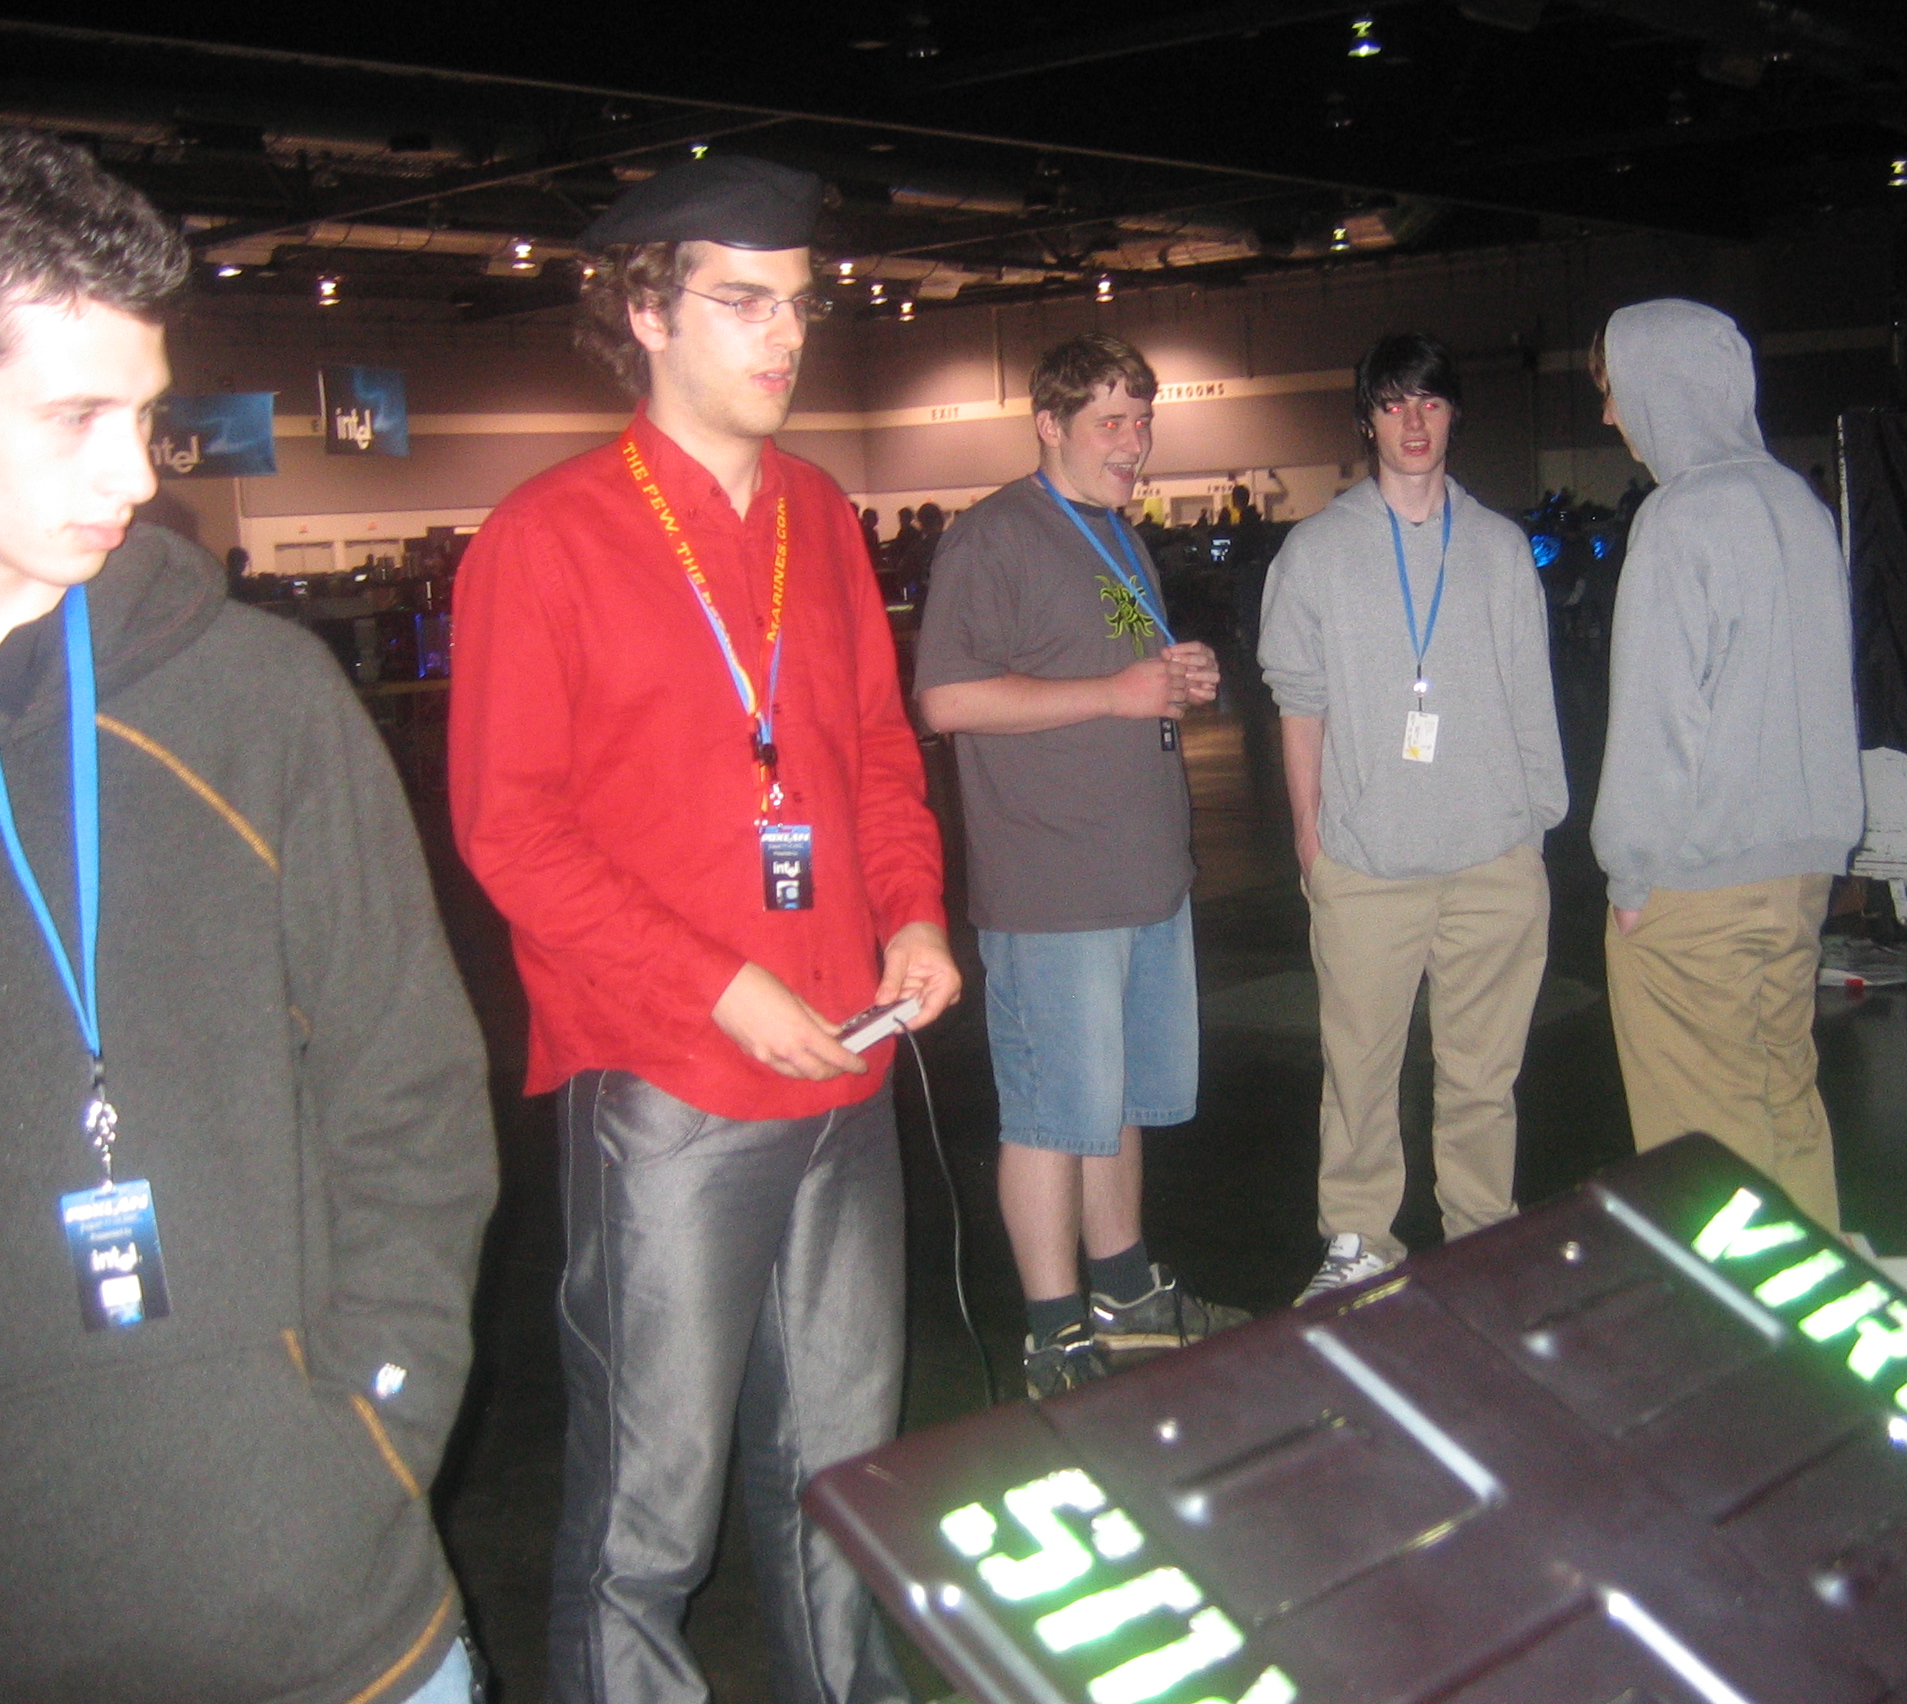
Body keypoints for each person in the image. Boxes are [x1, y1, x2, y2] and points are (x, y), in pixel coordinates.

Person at [448, 153, 958, 1704]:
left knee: (842, 1480)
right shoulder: (545, 537)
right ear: (647, 313)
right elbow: (509, 830)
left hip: (848, 1068)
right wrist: (717, 983)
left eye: (798, 304)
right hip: (668, 1087)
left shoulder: (821, 515)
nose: (785, 335)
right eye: (745, 303)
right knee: (646, 1517)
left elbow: (875, 752)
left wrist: (915, 913)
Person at [0, 132, 495, 1703]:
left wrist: (372, 1433)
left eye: (141, 415)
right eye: (74, 418)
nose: (138, 475)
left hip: (326, 1609)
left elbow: (411, 1096)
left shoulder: (255, 700)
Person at [915, 332, 1247, 1398]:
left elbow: (1117, 670)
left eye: (1142, 422)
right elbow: (946, 699)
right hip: (1052, 889)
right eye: (1110, 422)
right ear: (1048, 425)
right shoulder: (993, 539)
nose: (1133, 443)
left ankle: (1127, 1294)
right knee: (1052, 1116)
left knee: (1118, 1105)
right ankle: (1054, 1338)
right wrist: (1114, 694)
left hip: (1141, 875)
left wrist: (1174, 676)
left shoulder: (1114, 533)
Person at [1259, 333, 1567, 1299]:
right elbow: (1298, 699)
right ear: (1367, 420)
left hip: (1493, 859)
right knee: (1359, 1070)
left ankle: (1483, 1231)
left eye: (1429, 402)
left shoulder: (1500, 549)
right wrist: (1311, 838)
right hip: (1367, 863)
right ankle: (1359, 1238)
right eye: (1393, 404)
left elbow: (1532, 693)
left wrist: (1534, 826)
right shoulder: (1317, 551)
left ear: (1453, 414)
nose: (1414, 422)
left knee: (1484, 1073)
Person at [1589, 299, 1862, 1228]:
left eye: (1616, 390)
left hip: (1698, 884)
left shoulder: (1680, 519)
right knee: (1786, 1106)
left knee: (1704, 1161)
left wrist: (1631, 872)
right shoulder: (1800, 506)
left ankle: (1734, 1317)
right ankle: (1820, 1303)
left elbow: (1658, 718)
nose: (1611, 416)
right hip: (1800, 875)